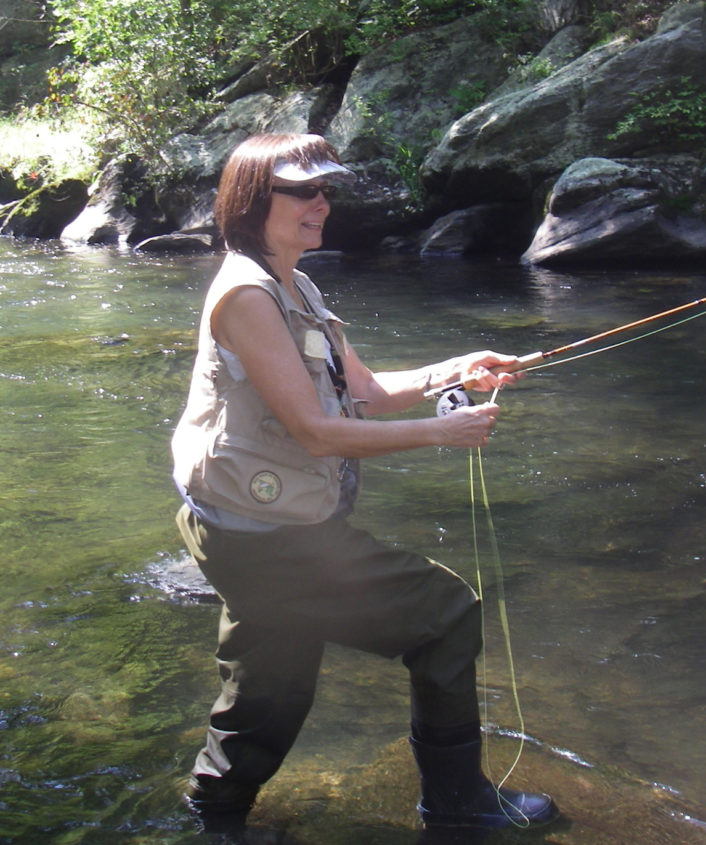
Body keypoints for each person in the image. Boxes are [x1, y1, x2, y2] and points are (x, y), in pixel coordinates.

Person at [171, 133, 558, 837]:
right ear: (255, 199)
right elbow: (317, 431)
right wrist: (442, 433)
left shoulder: (296, 285)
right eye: (304, 190)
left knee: (273, 678)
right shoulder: (247, 295)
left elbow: (369, 394)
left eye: (328, 191)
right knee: (444, 615)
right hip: (267, 537)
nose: (322, 203)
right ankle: (457, 806)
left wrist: (457, 369)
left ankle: (215, 815)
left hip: (253, 527)